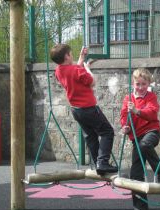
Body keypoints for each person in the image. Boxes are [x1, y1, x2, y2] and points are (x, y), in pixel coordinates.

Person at [50, 44, 117, 175]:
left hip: (76, 110)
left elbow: (73, 72)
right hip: (89, 108)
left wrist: (81, 58)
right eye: (70, 54)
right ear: (67, 56)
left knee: (90, 136)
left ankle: (97, 162)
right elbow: (92, 81)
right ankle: (102, 162)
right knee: (107, 132)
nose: (73, 56)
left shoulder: (58, 71)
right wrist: (87, 69)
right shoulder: (77, 70)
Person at [120, 68, 160, 210]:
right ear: (133, 83)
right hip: (136, 137)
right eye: (137, 84)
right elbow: (123, 115)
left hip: (151, 132)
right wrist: (125, 126)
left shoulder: (151, 97)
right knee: (135, 175)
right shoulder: (128, 98)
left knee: (145, 145)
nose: (140, 87)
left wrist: (136, 110)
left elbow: (151, 113)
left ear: (148, 84)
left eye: (143, 84)